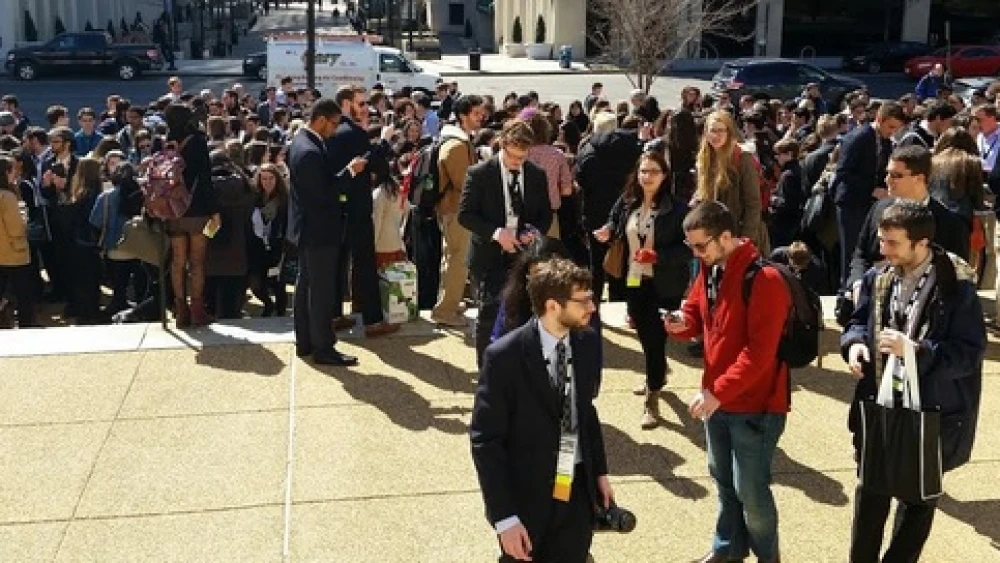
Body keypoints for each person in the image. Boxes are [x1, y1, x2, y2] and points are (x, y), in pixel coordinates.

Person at [841, 201, 985, 562]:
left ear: (921, 243)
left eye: (892, 243)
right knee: (870, 493)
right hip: (880, 402)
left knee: (917, 500)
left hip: (932, 409)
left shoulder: (956, 287)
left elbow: (968, 354)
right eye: (881, 240)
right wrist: (855, 344)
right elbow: (857, 322)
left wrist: (917, 351)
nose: (883, 250)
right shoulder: (878, 278)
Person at [665, 201, 791, 563]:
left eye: (700, 246)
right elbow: (695, 315)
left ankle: (767, 557)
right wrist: (677, 323)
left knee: (751, 492)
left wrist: (717, 392)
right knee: (724, 484)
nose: (696, 253)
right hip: (718, 399)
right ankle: (727, 550)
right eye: (690, 246)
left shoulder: (765, 280)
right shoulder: (711, 269)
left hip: (755, 405)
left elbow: (759, 354)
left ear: (725, 237)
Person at [470, 258, 613, 563]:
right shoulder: (504, 357)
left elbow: (586, 412)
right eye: (583, 301)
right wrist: (504, 517)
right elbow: (486, 442)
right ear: (552, 306)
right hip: (527, 498)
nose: (592, 307)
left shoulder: (586, 342)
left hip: (575, 488)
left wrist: (599, 472)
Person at [594, 150, 691, 429]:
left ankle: (652, 393)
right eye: (643, 171)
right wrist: (608, 230)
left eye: (653, 172)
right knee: (644, 330)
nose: (647, 177)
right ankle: (656, 372)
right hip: (634, 279)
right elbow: (615, 220)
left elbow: (688, 249)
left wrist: (658, 256)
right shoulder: (628, 201)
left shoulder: (678, 209)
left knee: (655, 336)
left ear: (665, 176)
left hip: (665, 283)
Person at [459, 118, 553, 367]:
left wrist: (533, 232)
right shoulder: (480, 173)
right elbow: (465, 215)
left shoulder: (536, 174)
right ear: (502, 145)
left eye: (522, 157)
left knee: (523, 314)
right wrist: (496, 233)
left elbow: (545, 214)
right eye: (512, 156)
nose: (516, 162)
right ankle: (486, 372)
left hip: (523, 255)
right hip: (488, 255)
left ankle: (517, 370)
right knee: (488, 315)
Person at [287, 98, 366, 366]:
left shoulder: (302, 142)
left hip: (309, 228)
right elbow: (323, 194)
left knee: (306, 285)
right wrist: (349, 173)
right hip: (318, 229)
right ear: (320, 120)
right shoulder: (309, 150)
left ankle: (306, 341)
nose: (334, 130)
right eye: (333, 124)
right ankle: (323, 347)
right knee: (320, 291)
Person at [846, 146, 970, 296]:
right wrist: (858, 284)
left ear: (919, 179)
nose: (887, 180)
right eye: (887, 173)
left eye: (896, 175)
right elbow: (860, 254)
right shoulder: (879, 209)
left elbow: (956, 276)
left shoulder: (949, 224)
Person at [327, 85, 400, 338]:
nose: (366, 108)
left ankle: (334, 315)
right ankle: (373, 321)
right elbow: (375, 165)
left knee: (339, 262)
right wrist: (384, 141)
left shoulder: (334, 130)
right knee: (365, 263)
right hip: (356, 206)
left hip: (338, 207)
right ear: (346, 105)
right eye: (361, 104)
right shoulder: (353, 132)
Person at [832, 101, 907, 288]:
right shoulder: (859, 137)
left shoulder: (886, 142)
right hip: (852, 203)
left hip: (871, 204)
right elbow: (843, 172)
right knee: (851, 252)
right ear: (879, 119)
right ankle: (847, 291)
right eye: (890, 127)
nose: (892, 132)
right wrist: (871, 189)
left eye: (896, 129)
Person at [430, 94, 486, 327]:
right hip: (456, 211)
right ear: (463, 116)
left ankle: (449, 303)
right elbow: (465, 184)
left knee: (453, 258)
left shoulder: (456, 141)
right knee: (458, 260)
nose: (481, 117)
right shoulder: (456, 146)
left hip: (453, 210)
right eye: (476, 113)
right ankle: (446, 310)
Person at [163, 103, 219, 327]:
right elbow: (205, 178)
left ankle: (180, 310)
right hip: (197, 209)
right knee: (197, 262)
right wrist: (214, 210)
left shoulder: (166, 140)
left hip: (173, 209)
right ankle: (197, 310)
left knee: (177, 262)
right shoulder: (197, 141)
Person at [694, 110, 765, 251]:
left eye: (721, 130)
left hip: (738, 235)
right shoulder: (705, 159)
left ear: (729, 132)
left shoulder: (742, 158)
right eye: (713, 131)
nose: (716, 135)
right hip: (713, 236)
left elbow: (753, 203)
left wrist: (745, 240)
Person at [248, 163, 289, 317]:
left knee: (277, 281)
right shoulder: (254, 199)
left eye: (271, 178)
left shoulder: (284, 201)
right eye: (264, 179)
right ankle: (268, 303)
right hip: (258, 246)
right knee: (255, 283)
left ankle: (280, 312)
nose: (268, 182)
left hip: (277, 246)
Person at [0, 155, 35, 328]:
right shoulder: (7, 197)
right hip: (14, 253)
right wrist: (24, 221)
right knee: (23, 294)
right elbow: (16, 229)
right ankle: (26, 324)